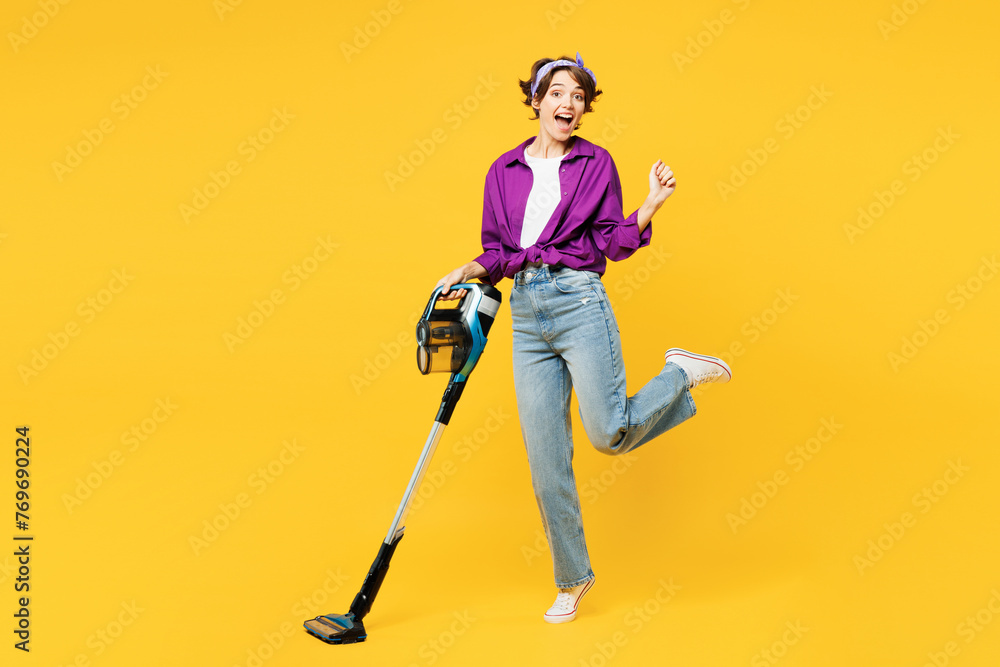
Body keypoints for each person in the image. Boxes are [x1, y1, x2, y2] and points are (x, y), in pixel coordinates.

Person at [436, 52, 732, 624]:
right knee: (546, 460)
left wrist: (649, 205)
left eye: (578, 97)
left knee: (609, 433)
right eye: (557, 93)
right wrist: (466, 270)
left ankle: (680, 372)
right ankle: (572, 578)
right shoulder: (503, 170)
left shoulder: (596, 163)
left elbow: (613, 242)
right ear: (536, 100)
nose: (567, 104)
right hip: (526, 314)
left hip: (578, 301)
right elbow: (498, 248)